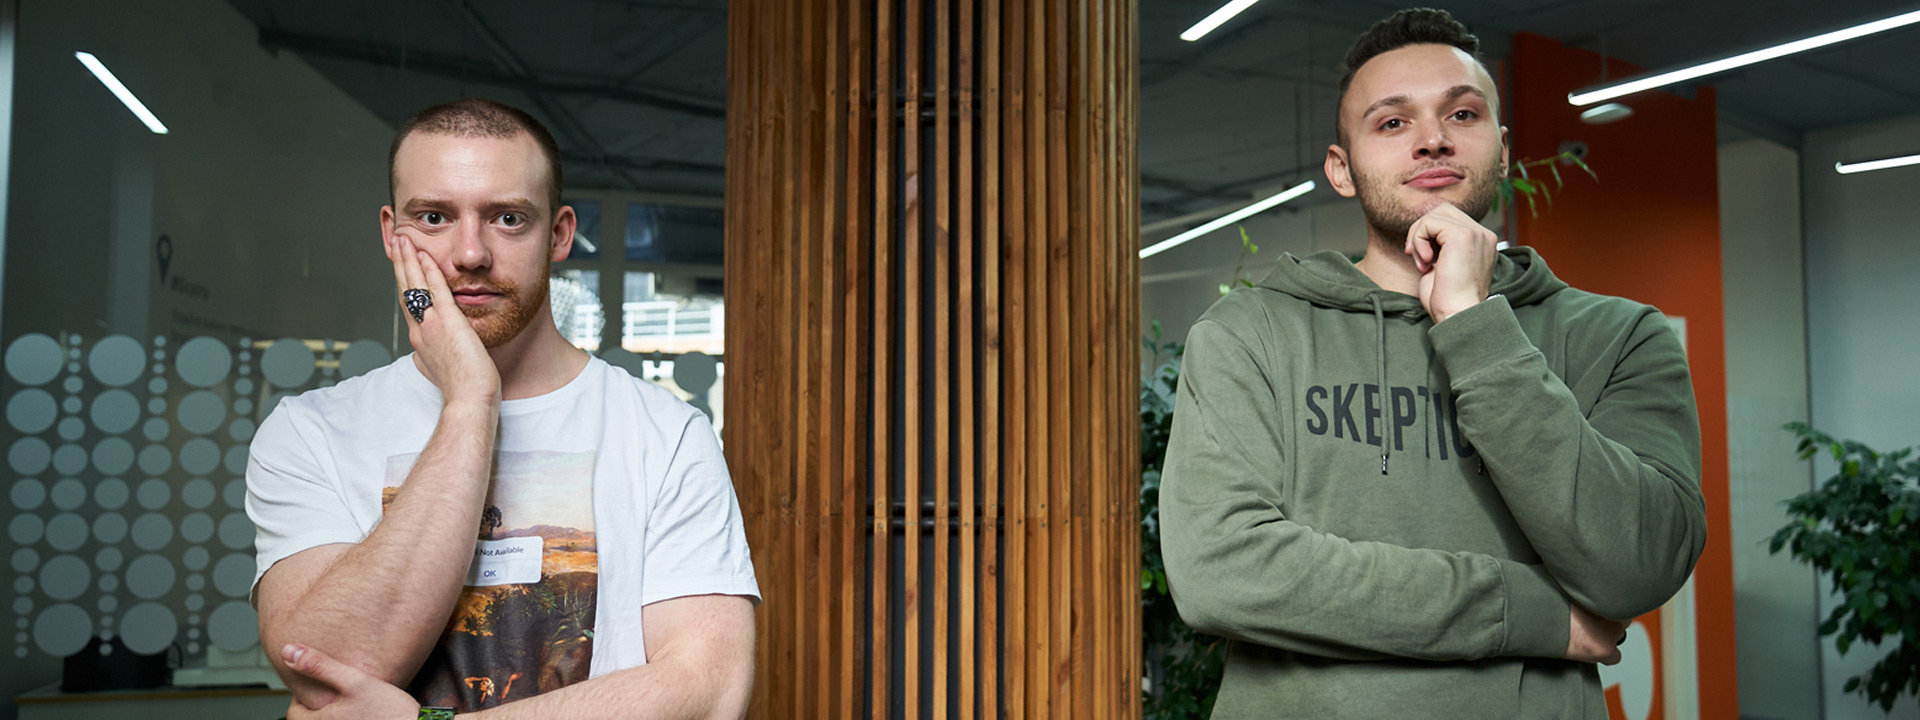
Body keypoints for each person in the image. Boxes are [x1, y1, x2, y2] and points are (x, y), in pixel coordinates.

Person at [1158, 8, 1707, 718]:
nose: (1433, 139)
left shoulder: (1618, 336)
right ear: (1342, 170)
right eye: (1392, 122)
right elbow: (1221, 572)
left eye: (1463, 113)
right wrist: (1529, 611)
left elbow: (1641, 566)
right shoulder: (1252, 332)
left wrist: (1476, 326)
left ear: (1502, 151)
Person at [246, 98, 758, 719]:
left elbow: (709, 692)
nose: (470, 254)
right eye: (434, 217)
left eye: (508, 218)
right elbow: (323, 668)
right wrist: (469, 401)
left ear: (560, 234)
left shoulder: (666, 435)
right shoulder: (309, 433)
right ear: (390, 233)